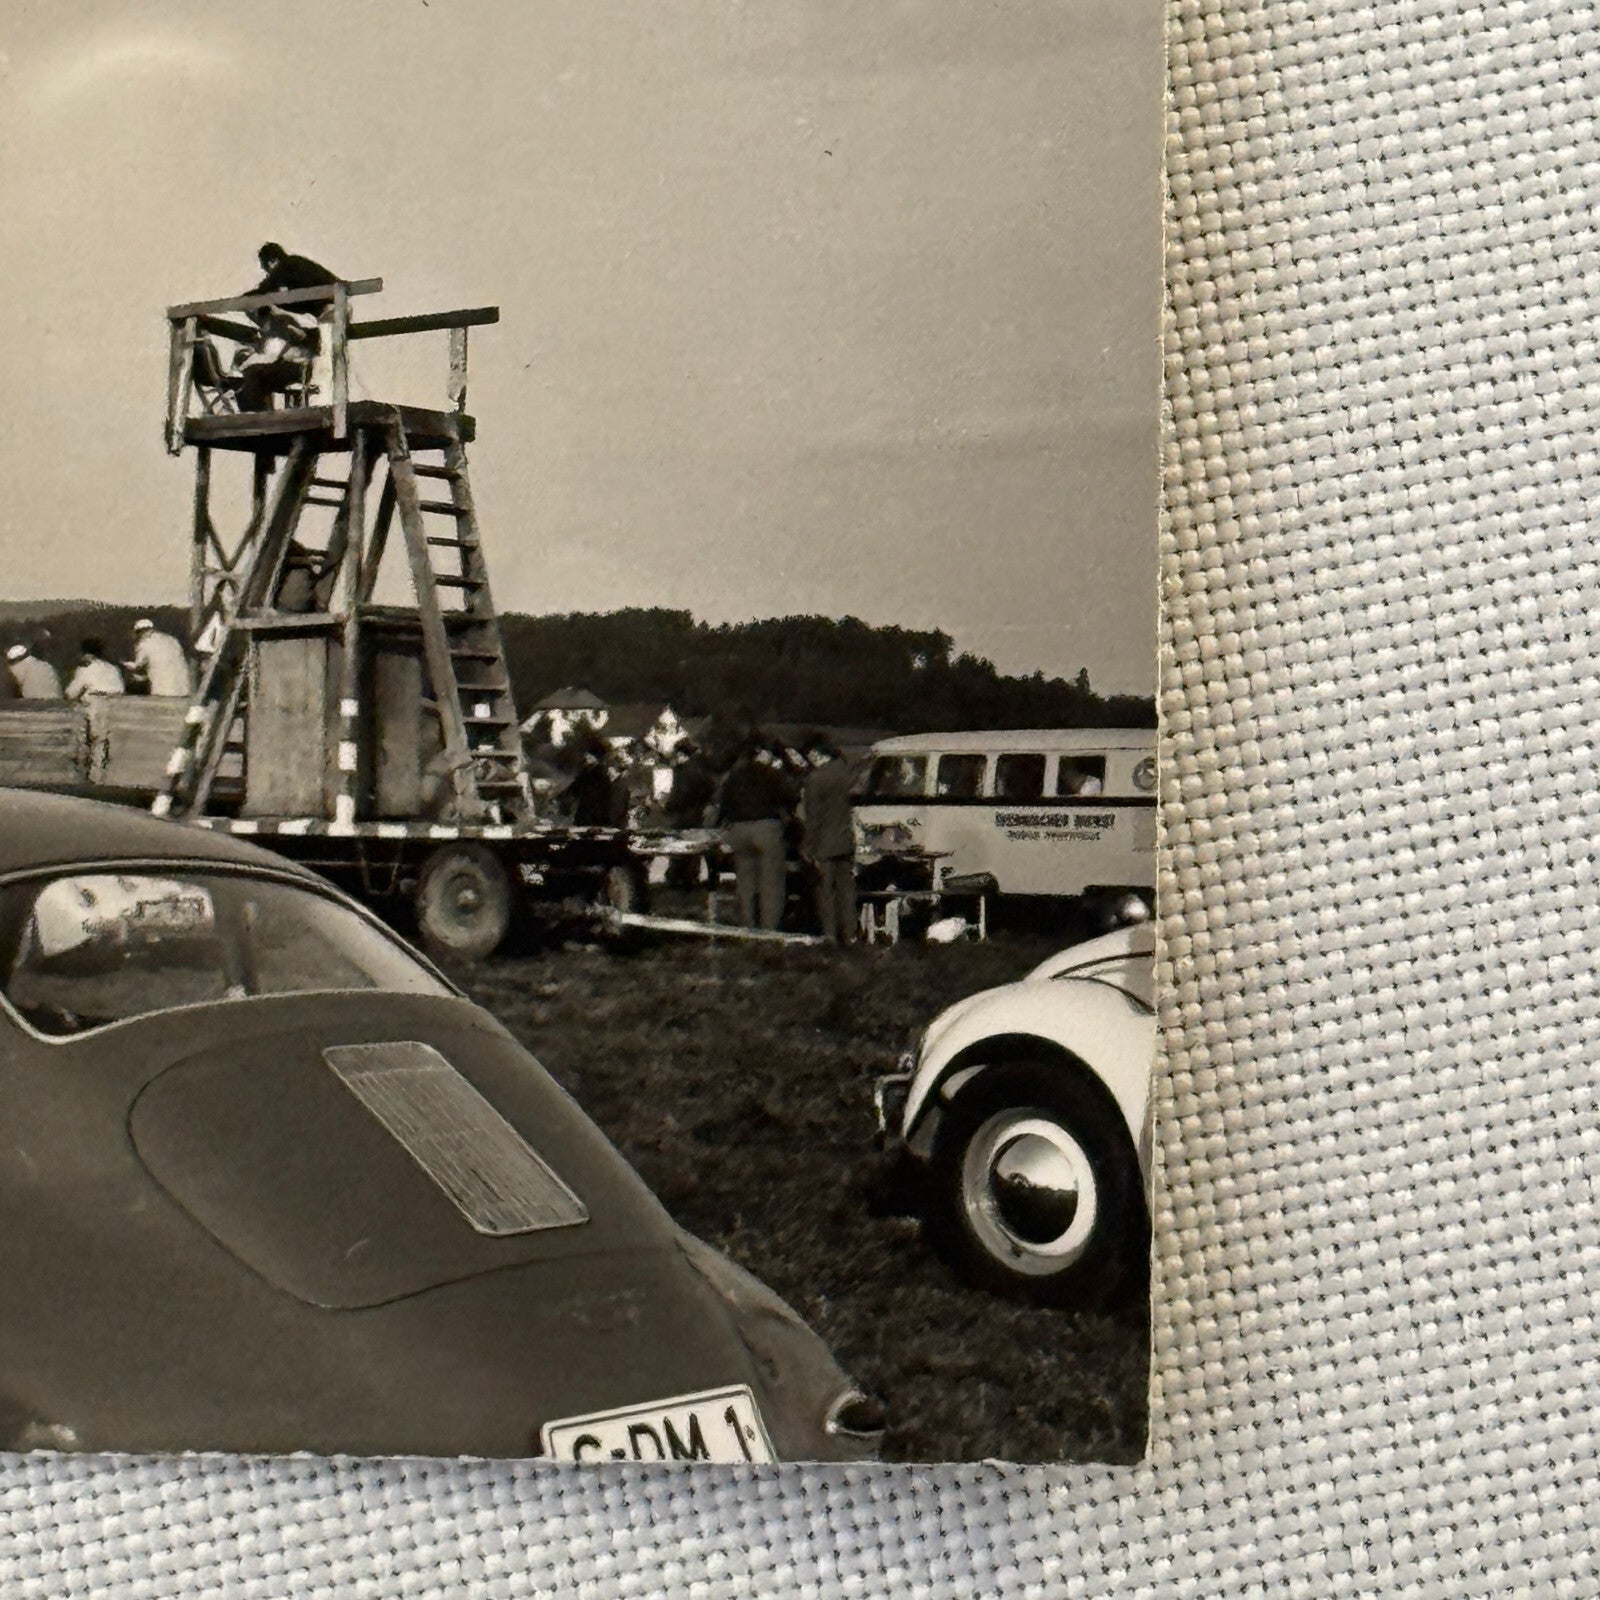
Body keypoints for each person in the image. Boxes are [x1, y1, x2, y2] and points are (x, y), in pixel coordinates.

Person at [712, 737, 795, 931]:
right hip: (766, 829)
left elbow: (723, 803)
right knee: (771, 882)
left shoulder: (734, 776)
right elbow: (789, 798)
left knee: (745, 882)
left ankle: (747, 925)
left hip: (739, 831)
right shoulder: (772, 774)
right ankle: (769, 929)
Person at [799, 732, 858, 946]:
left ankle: (830, 936)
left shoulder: (816, 779)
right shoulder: (846, 773)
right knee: (846, 891)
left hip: (824, 843)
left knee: (825, 892)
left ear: (816, 754)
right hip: (845, 840)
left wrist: (808, 847)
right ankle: (850, 934)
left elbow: (813, 818)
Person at [124, 619, 194, 698]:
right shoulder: (172, 639)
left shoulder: (144, 643)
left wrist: (125, 664)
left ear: (140, 632)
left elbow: (137, 666)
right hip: (183, 688)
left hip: (163, 689)